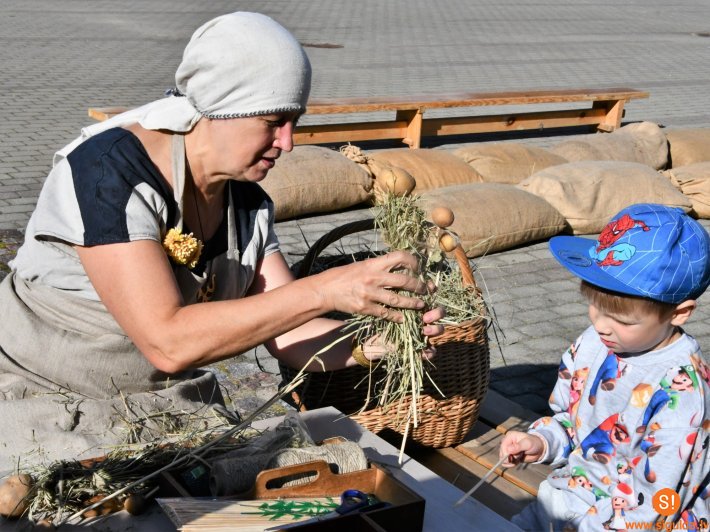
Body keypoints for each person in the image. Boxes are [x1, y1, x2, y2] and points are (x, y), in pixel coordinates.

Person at [0, 12, 443, 471]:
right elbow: (167, 342)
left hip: (152, 410)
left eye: (294, 122)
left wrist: (370, 341)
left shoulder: (246, 202)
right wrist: (327, 289)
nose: (288, 142)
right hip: (42, 399)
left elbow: (289, 332)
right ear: (219, 108)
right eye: (273, 121)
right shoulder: (108, 174)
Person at [499, 203, 710, 531]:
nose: (601, 326)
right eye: (594, 307)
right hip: (569, 499)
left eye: (623, 320)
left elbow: (657, 506)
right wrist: (543, 441)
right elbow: (574, 422)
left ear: (679, 313)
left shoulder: (681, 394)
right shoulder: (594, 343)